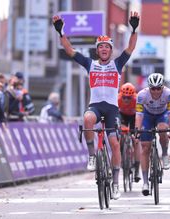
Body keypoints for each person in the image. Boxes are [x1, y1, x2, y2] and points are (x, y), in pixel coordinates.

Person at [52, 11, 140, 200]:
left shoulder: (118, 64)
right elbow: (70, 51)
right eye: (101, 47)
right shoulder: (89, 64)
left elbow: (131, 47)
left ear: (110, 50)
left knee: (115, 144)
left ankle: (116, 183)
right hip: (95, 106)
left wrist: (134, 29)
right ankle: (92, 154)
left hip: (111, 109)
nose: (104, 49)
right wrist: (61, 33)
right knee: (87, 119)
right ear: (97, 50)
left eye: (107, 47)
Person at [135, 73, 170, 196]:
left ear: (163, 87)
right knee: (145, 147)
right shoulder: (142, 95)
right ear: (149, 87)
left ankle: (164, 153)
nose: (156, 91)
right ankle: (145, 182)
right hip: (147, 116)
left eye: (159, 88)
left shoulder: (169, 94)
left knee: (163, 129)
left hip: (161, 116)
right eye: (153, 88)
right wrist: (137, 131)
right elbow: (139, 115)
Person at [118, 82, 141, 182]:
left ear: (133, 96)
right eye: (124, 97)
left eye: (129, 98)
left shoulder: (138, 100)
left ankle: (136, 169)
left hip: (134, 117)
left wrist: (136, 130)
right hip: (122, 115)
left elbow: (140, 115)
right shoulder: (117, 99)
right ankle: (121, 154)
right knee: (119, 136)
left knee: (136, 140)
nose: (126, 99)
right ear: (121, 95)